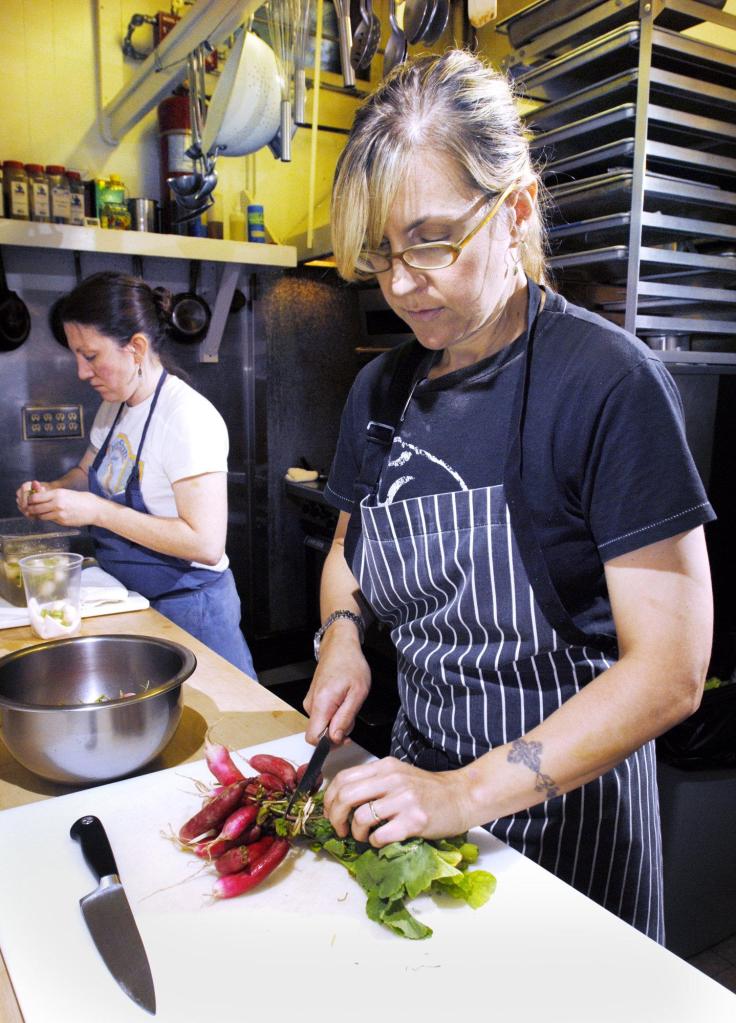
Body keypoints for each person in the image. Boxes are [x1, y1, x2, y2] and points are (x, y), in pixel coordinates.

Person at [303, 50, 715, 941]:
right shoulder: (382, 394)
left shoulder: (609, 383)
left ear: (516, 208)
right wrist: (343, 640)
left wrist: (465, 792)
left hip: (570, 834)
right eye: (382, 253)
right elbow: (348, 553)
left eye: (431, 240)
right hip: (414, 811)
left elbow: (672, 669)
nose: (404, 282)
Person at [16, 271, 255, 677]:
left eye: (90, 355)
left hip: (189, 611)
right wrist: (54, 492)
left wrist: (95, 510)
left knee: (227, 733)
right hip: (134, 601)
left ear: (136, 348)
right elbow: (86, 471)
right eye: (76, 355)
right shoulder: (117, 405)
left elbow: (206, 543)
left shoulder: (187, 418)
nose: (80, 372)